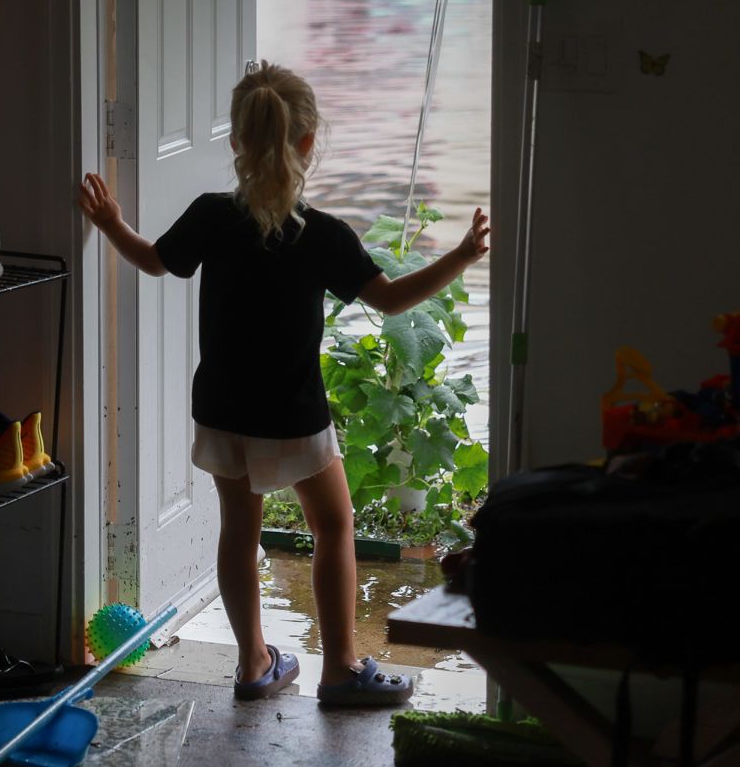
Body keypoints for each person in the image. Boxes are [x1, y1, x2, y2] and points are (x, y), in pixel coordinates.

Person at [77, 61, 489, 706]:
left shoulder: (212, 216)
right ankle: (342, 669)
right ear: (306, 143)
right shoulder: (323, 235)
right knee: (333, 527)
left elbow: (155, 261)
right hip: (292, 414)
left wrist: (109, 224)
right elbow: (390, 299)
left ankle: (253, 666)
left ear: (236, 141)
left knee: (238, 531)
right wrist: (461, 254)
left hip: (221, 408)